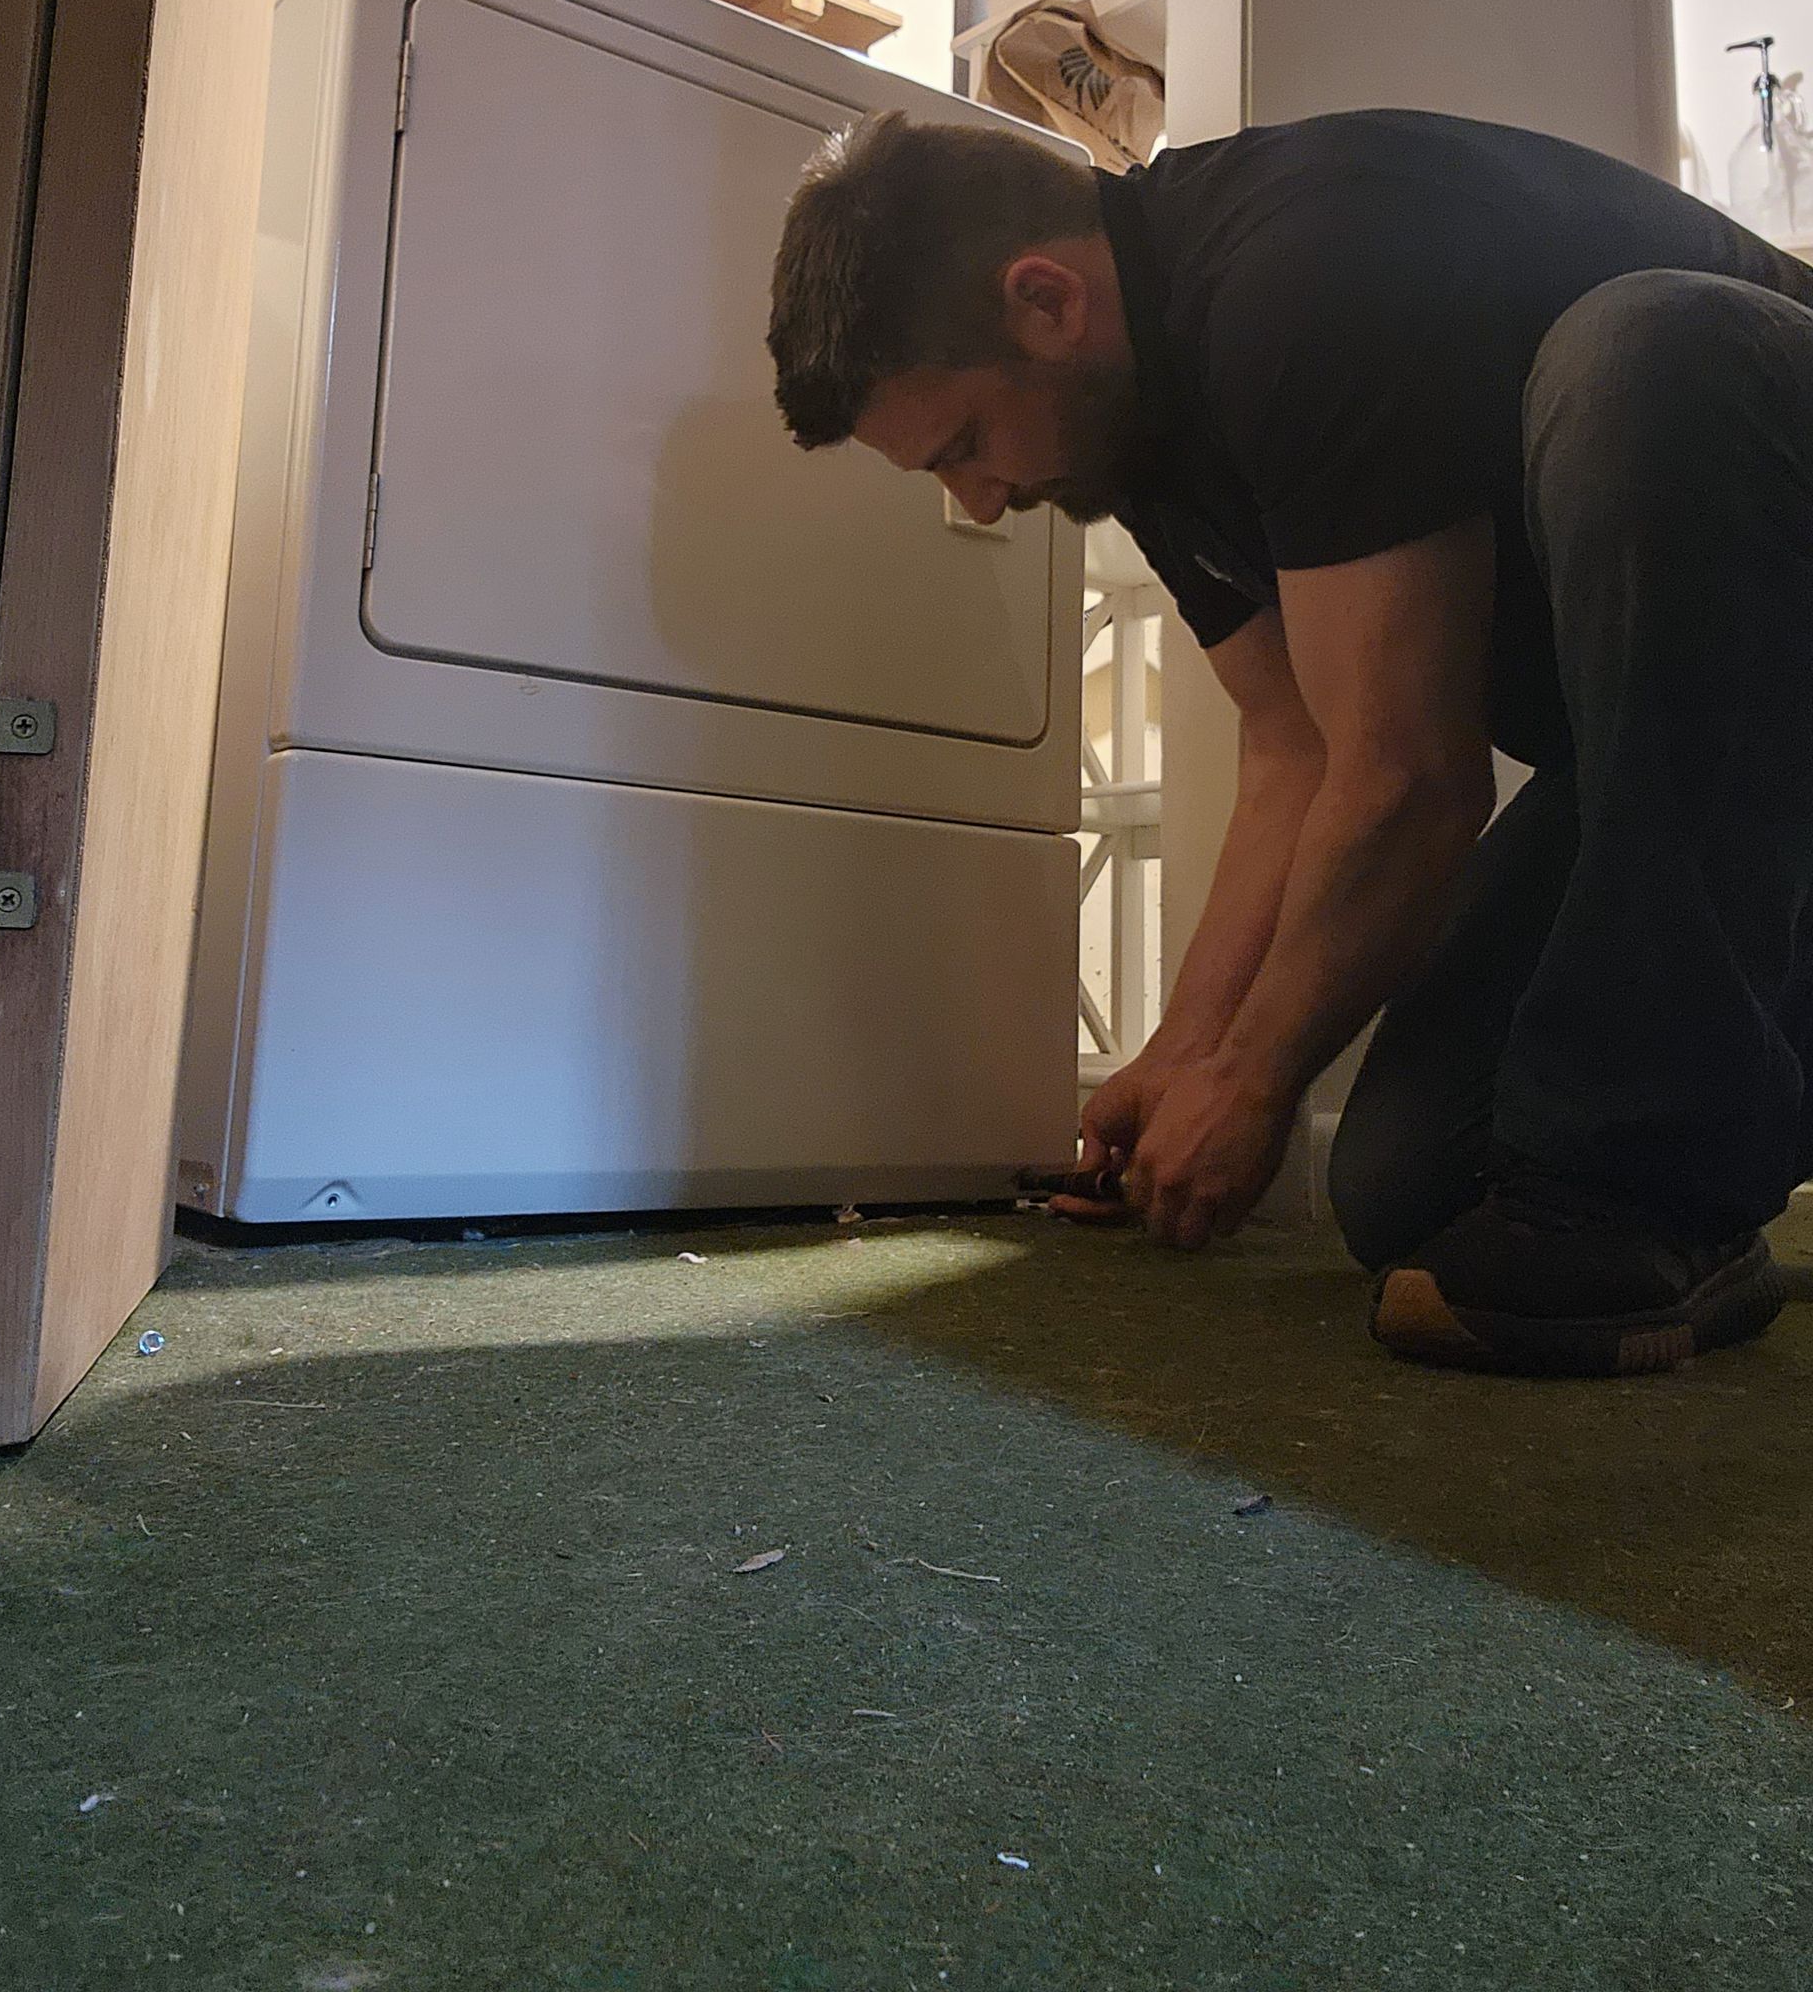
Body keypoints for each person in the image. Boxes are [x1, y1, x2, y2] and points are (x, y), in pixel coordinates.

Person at [765, 105, 1813, 1378]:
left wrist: (1258, 1076)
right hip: (1734, 762)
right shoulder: (1139, 440)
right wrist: (1186, 1052)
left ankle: (1659, 1187)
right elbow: (1296, 748)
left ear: (1045, 302)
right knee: (1410, 1184)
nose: (977, 497)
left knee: (1652, 350)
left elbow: (1417, 780)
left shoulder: (1298, 270)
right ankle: (1679, 1166)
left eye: (968, 444)